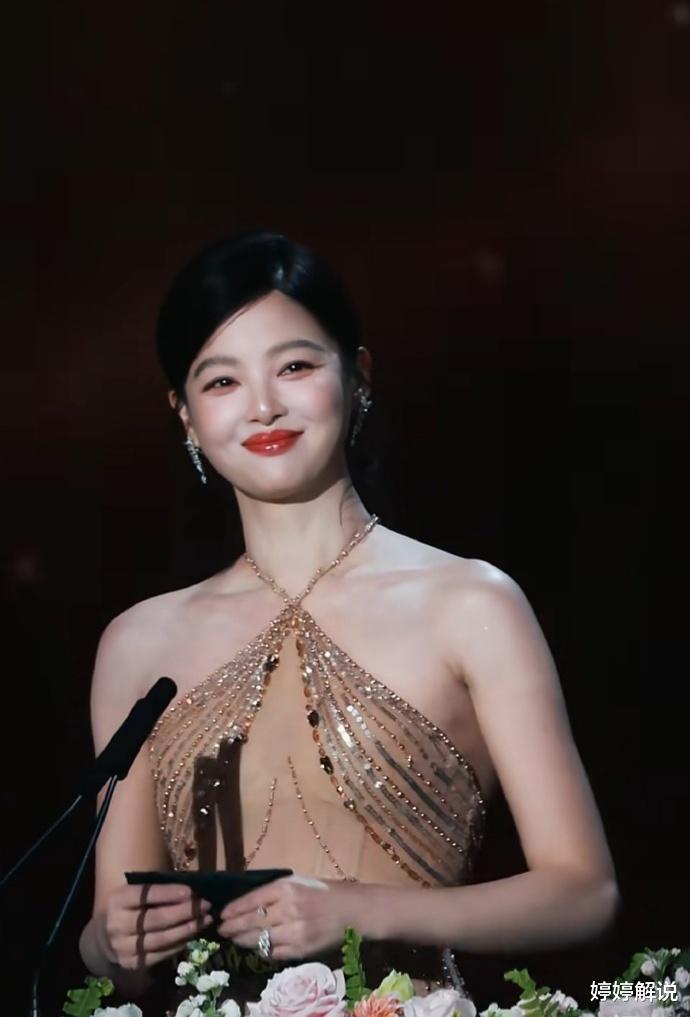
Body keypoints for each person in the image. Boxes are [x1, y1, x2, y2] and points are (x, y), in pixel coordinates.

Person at [78, 231, 619, 1005]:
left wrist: (358, 909)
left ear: (357, 375)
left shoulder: (470, 603)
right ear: (186, 416)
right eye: (222, 380)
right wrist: (108, 941)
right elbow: (118, 942)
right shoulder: (139, 644)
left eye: (294, 366)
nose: (263, 405)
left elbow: (583, 891)